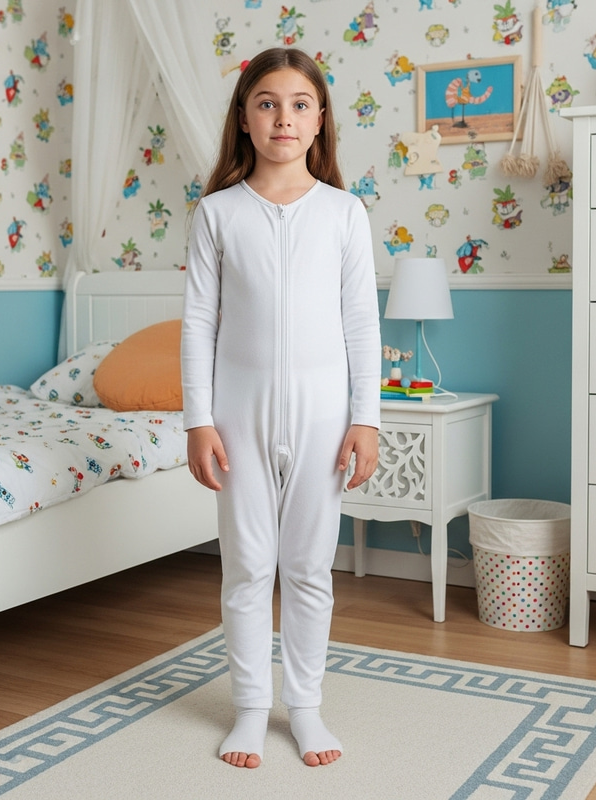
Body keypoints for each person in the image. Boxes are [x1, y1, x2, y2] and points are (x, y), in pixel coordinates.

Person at [181, 47, 381, 769]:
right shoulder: (217, 213)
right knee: (246, 568)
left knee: (307, 569)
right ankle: (248, 709)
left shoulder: (344, 213)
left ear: (320, 119)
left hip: (324, 418)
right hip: (238, 417)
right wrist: (198, 420)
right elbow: (199, 323)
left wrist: (366, 418)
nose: (283, 118)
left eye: (299, 104)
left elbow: (361, 324)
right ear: (244, 118)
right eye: (267, 103)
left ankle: (305, 708)